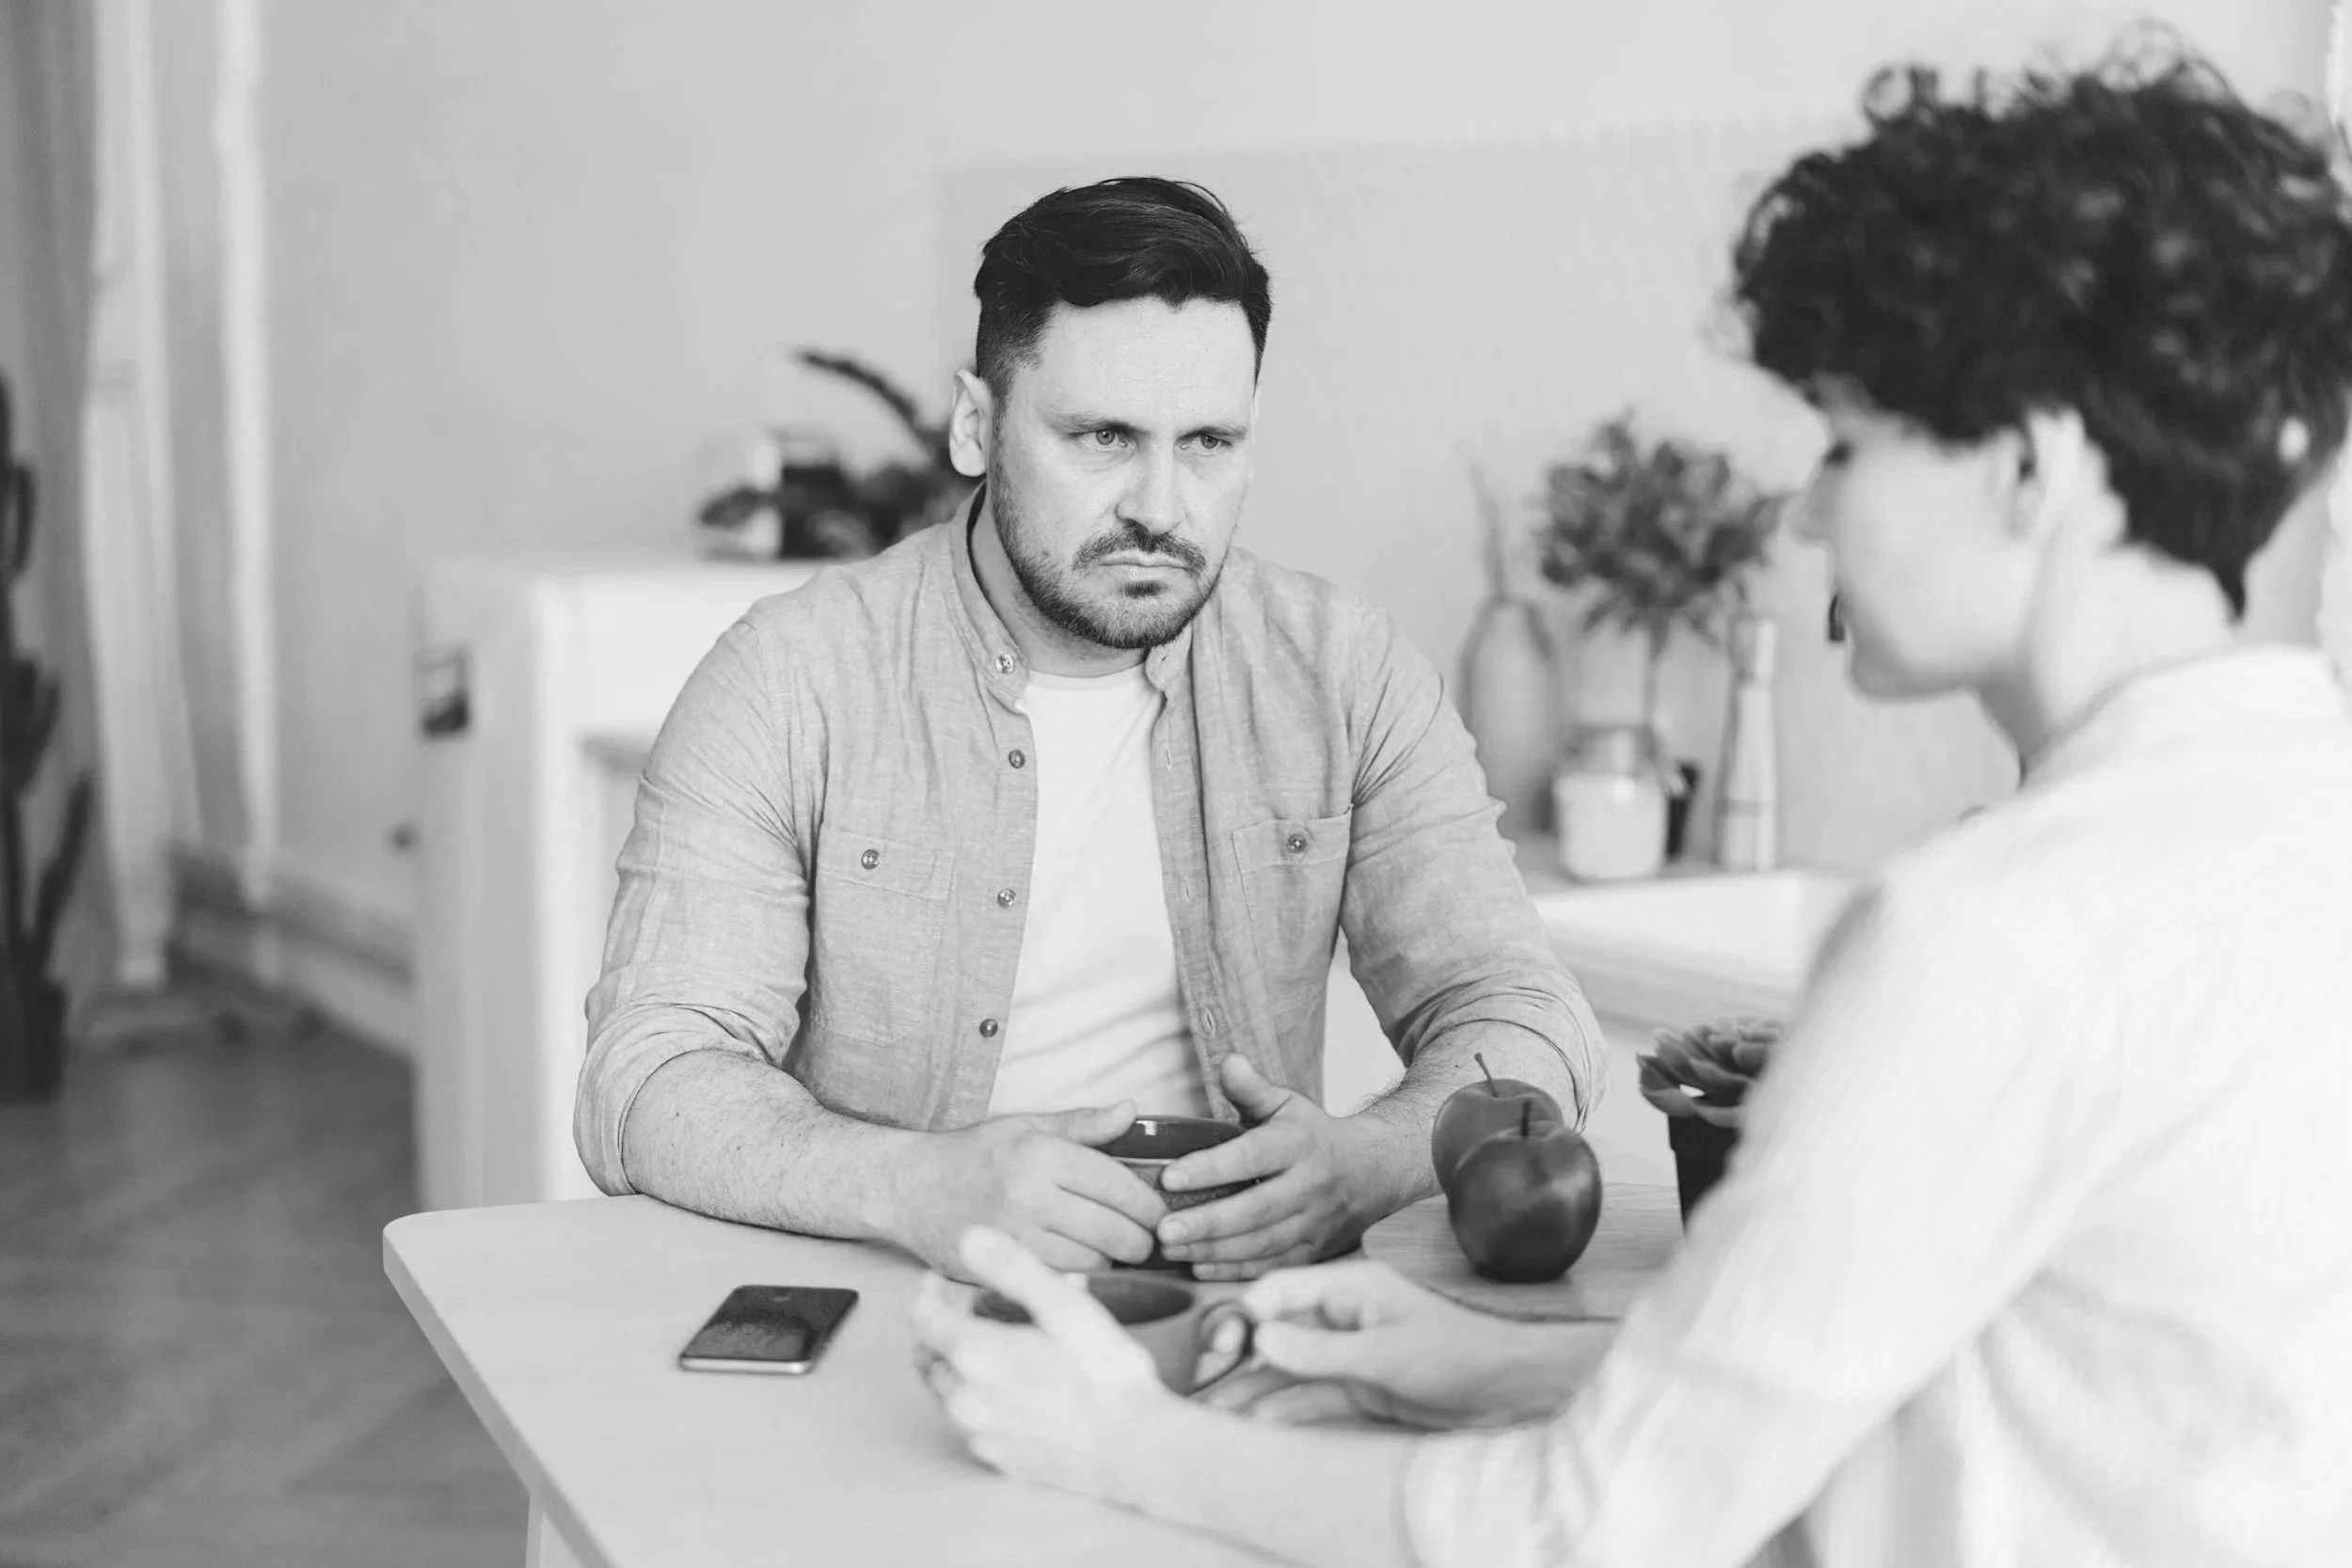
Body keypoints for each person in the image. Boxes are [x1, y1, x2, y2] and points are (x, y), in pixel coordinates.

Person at [911, 40, 2352, 1567]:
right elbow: (1999, 1382)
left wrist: (1127, 1444)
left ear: (2027, 468)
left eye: (1847, 443)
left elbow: (1586, 1529)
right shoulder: (2299, 820)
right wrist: (1488, 1359)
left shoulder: (1996, 937)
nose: (1810, 510)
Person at [574, 176, 1604, 1284]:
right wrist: (917, 1184)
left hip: (1232, 1312)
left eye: (1207, 441)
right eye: (1103, 436)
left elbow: (1521, 1010)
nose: (1160, 506)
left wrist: (1372, 1158)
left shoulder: (1343, 670)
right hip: (902, 1294)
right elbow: (647, 1074)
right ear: (977, 426)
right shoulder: (790, 678)